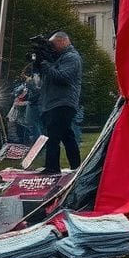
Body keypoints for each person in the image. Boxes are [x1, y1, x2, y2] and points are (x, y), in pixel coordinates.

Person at [38, 31, 82, 173]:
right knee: (66, 135)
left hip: (62, 101)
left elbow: (62, 77)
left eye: (53, 44)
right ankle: (76, 166)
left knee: (53, 136)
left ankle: (52, 168)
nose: (52, 48)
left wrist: (45, 65)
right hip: (56, 101)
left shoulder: (72, 57)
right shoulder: (60, 57)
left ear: (63, 41)